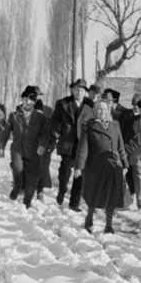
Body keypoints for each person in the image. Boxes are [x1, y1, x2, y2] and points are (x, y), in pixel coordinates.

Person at [74, 99, 128, 233]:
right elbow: (83, 148)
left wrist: (125, 163)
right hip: (95, 168)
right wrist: (79, 167)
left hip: (113, 166)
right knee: (93, 194)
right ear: (95, 111)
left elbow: (121, 146)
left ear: (108, 110)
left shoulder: (115, 125)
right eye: (99, 109)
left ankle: (109, 225)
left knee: (112, 196)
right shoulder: (88, 126)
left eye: (104, 109)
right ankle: (89, 218)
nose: (102, 112)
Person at [48, 78, 95, 210]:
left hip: (83, 145)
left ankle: (74, 203)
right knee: (65, 172)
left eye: (82, 90)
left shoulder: (90, 107)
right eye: (76, 90)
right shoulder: (63, 104)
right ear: (72, 90)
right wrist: (56, 132)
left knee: (79, 173)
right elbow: (54, 121)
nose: (79, 92)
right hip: (67, 142)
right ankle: (62, 190)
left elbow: (93, 124)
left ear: (85, 92)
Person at [8, 87, 48, 208]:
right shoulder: (14, 115)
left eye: (30, 100)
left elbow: (44, 134)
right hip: (17, 148)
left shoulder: (41, 118)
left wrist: (42, 145)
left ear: (34, 103)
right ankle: (17, 186)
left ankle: (27, 200)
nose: (27, 102)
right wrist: (0, 145)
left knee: (32, 177)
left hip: (33, 150)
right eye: (25, 99)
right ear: (22, 100)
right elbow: (6, 130)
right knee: (18, 169)